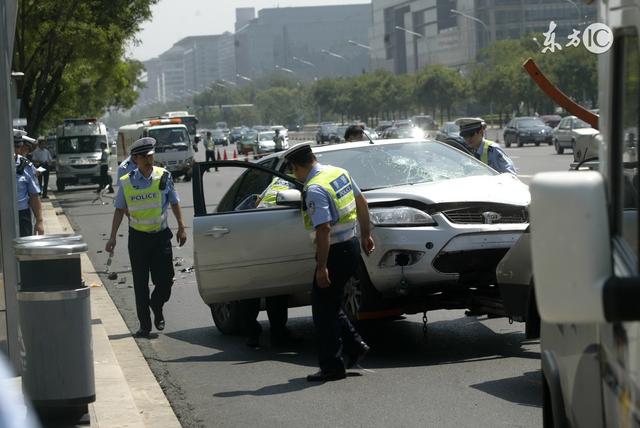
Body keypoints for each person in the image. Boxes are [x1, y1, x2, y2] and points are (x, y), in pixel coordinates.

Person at [284, 143, 375, 382]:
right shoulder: (337, 172)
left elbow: (323, 228)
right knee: (330, 303)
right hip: (352, 245)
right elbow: (361, 202)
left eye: (293, 170)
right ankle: (354, 346)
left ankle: (331, 367)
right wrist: (366, 235)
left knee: (323, 312)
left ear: (296, 167)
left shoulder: (314, 188)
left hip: (334, 251)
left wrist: (322, 266)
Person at [105, 137, 187, 338]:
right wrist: (112, 237)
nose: (150, 160)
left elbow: (174, 203)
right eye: (145, 157)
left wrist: (181, 227)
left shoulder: (164, 176)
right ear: (136, 158)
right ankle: (144, 325)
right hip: (138, 239)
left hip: (161, 238)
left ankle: (156, 305)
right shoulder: (127, 181)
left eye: (151, 155)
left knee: (166, 280)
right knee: (140, 283)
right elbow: (118, 210)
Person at [243, 174, 301, 348]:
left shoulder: (276, 180)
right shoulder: (298, 181)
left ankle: (255, 332)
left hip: (256, 229)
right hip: (271, 231)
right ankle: (275, 332)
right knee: (273, 287)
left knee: (255, 286)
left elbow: (258, 201)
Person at [14, 130, 44, 237]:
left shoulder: (26, 166)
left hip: (21, 215)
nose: (15, 151)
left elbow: (34, 195)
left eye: (17, 147)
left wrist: (39, 221)